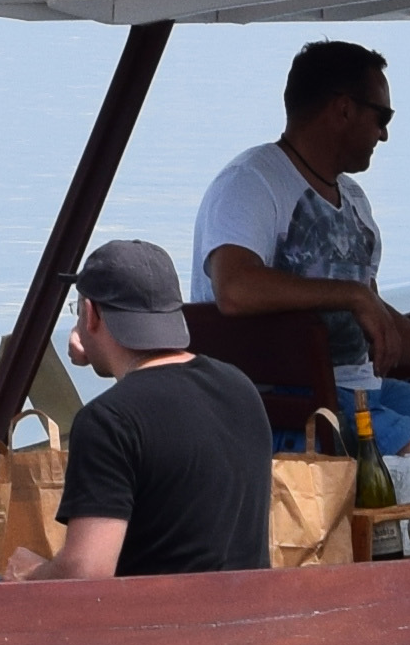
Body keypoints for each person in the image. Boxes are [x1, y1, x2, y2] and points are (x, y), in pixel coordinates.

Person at [191, 41, 410, 413]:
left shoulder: (355, 200)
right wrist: (352, 295)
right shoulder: (250, 184)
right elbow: (234, 288)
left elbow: (375, 318)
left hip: (364, 391)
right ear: (343, 109)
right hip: (284, 402)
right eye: (382, 118)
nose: (384, 135)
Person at [19, 240, 272, 582]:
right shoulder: (239, 387)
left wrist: (28, 574)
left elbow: (87, 573)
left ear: (91, 314)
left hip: (155, 630)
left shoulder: (109, 421)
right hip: (247, 622)